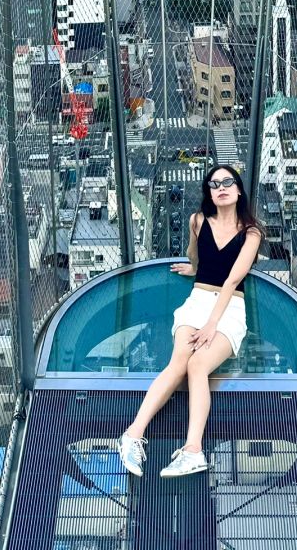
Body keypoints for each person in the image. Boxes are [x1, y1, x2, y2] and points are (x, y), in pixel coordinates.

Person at [117, 164, 261, 479]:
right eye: (214, 183)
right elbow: (197, 256)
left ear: (238, 190)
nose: (221, 187)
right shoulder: (198, 221)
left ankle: (193, 450)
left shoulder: (252, 232)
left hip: (230, 309)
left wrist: (212, 324)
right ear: (209, 192)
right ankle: (133, 434)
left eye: (228, 182)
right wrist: (194, 269)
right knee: (180, 361)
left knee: (198, 366)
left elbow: (233, 279)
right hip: (195, 302)